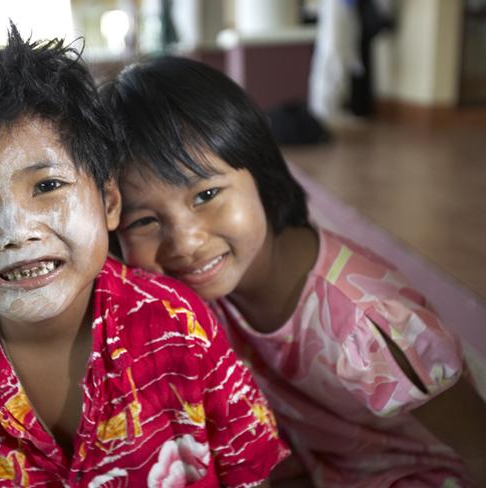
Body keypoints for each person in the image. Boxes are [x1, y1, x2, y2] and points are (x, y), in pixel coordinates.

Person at [0, 27, 290, 487]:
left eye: (48, 186)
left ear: (110, 202)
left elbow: (248, 465)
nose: (16, 232)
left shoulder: (177, 321)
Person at [102, 55, 486, 487]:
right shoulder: (196, 296)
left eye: (206, 194)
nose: (186, 242)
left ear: (261, 174)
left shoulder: (367, 324)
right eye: (144, 221)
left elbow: (477, 445)